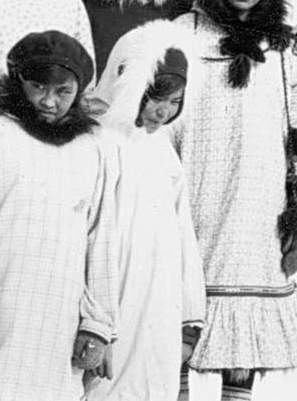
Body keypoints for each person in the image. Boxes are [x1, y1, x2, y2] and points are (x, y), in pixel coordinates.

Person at [0, 30, 118, 401]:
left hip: (57, 322)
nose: (48, 101)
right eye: (38, 87)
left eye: (63, 92)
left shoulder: (92, 147)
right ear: (18, 80)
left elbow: (101, 238)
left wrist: (97, 324)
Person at [174, 0, 297, 400]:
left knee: (247, 317)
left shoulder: (284, 45)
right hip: (197, 183)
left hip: (260, 196)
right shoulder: (185, 31)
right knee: (183, 307)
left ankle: (235, 395)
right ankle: (177, 391)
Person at [86, 20, 206, 401]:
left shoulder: (164, 152)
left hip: (160, 293)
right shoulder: (102, 144)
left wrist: (190, 314)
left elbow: (183, 235)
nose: (164, 112)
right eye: (157, 98)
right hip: (116, 290)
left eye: (175, 103)